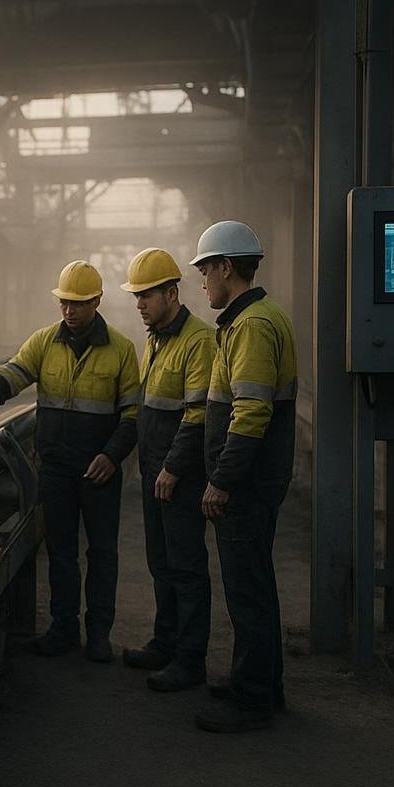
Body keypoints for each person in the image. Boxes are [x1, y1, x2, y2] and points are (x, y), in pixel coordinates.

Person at [0, 260, 141, 663]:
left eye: (77, 303)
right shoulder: (44, 342)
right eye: (64, 303)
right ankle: (62, 630)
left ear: (96, 301)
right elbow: (14, 373)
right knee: (60, 551)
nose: (69, 311)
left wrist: (112, 457)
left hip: (100, 471)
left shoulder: (122, 352)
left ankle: (98, 635)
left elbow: (132, 416)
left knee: (102, 553)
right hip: (56, 469)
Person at [189, 221, 299, 733]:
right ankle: (260, 683)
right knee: (254, 585)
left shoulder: (252, 326)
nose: (202, 282)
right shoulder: (249, 320)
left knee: (247, 591)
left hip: (248, 485)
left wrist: (222, 481)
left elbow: (251, 413)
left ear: (225, 268)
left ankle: (252, 699)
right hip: (256, 480)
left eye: (205, 270)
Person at [116, 248, 216, 692]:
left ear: (172, 294)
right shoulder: (155, 338)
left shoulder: (198, 341)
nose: (138, 303)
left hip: (180, 474)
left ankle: (190, 661)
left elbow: (197, 415)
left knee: (187, 567)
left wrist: (173, 468)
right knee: (161, 563)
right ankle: (165, 643)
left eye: (146, 296)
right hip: (155, 471)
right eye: (137, 296)